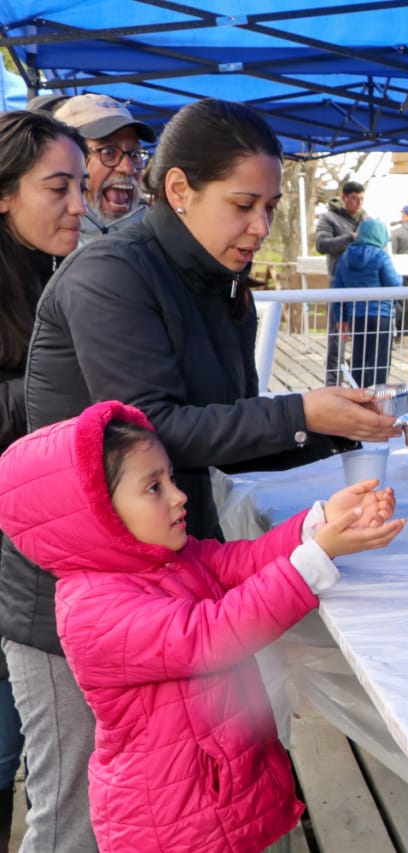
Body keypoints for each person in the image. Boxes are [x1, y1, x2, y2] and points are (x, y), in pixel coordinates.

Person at [4, 98, 402, 853]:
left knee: (180, 796)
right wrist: (306, 415)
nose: (259, 227)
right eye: (243, 206)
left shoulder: (220, 281)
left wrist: (337, 430)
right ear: (179, 190)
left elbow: (230, 426)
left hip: (171, 570)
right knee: (73, 815)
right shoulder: (110, 275)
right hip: (72, 598)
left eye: (270, 207)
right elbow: (163, 423)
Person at [0, 401, 406, 853]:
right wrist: (313, 560)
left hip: (222, 795)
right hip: (174, 827)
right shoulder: (94, 611)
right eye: (154, 487)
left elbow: (244, 562)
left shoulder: (169, 559)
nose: (179, 495)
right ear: (97, 514)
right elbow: (212, 634)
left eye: (171, 477)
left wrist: (321, 524)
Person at [0, 109, 87, 850]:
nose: (79, 203)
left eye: (81, 186)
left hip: (37, 549)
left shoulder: (62, 272)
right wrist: (57, 381)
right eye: (57, 187)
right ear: (3, 193)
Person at [49, 93, 155, 242]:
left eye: (135, 154)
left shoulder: (157, 236)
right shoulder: (41, 238)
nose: (128, 168)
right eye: (108, 152)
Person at [332, 218, 403, 387]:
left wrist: (340, 317)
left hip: (356, 314)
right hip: (381, 314)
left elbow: (338, 288)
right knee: (380, 359)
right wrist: (402, 278)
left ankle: (357, 392)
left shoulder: (345, 257)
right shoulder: (380, 256)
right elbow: (393, 283)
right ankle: (376, 395)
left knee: (359, 357)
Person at [316, 180, 365, 385]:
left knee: (364, 334)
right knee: (337, 336)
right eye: (354, 198)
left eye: (361, 199)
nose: (358, 203)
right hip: (339, 284)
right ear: (344, 198)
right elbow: (321, 244)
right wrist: (348, 238)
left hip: (364, 285)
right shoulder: (328, 219)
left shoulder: (367, 219)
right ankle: (332, 383)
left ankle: (360, 379)